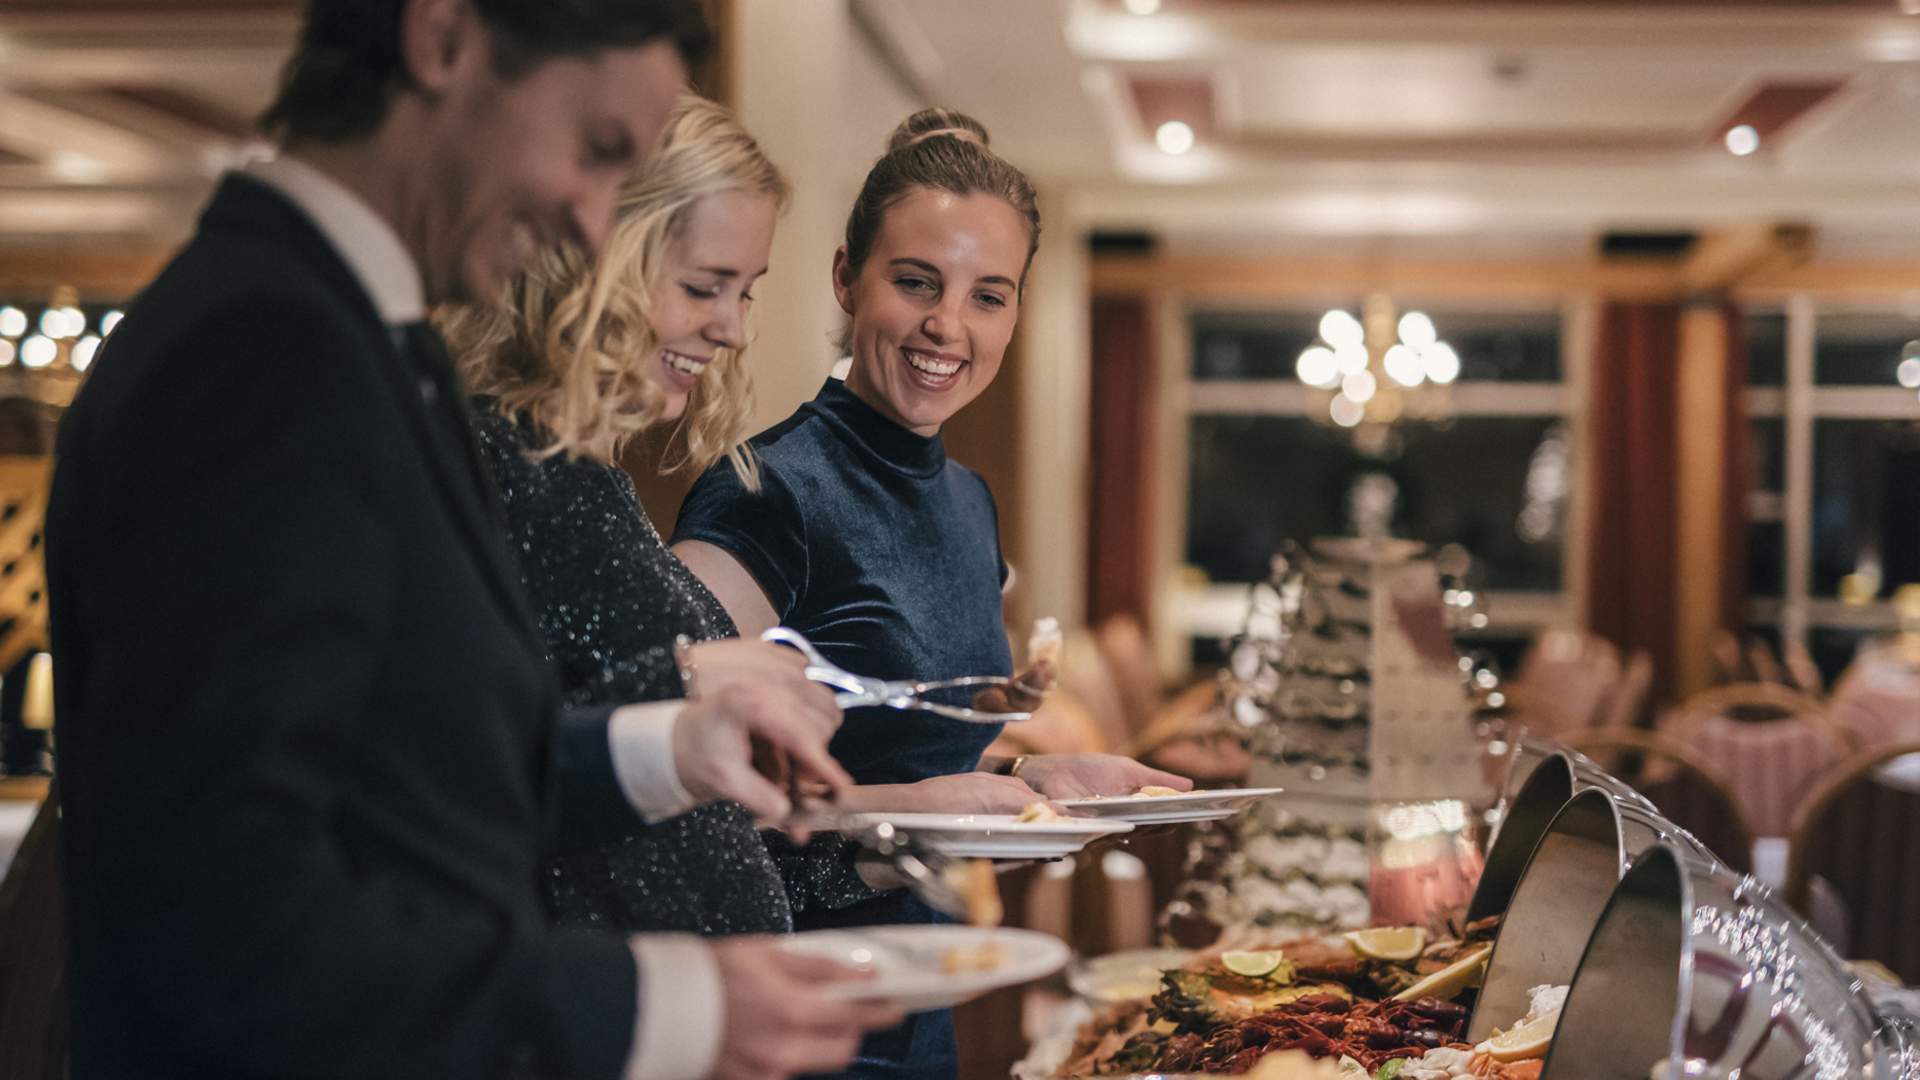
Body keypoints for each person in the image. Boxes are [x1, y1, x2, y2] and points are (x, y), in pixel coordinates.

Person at [46, 3, 893, 1077]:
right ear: (442, 40)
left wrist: (664, 749)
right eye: (596, 152)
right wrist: (663, 1006)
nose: (595, 231)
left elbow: (410, 772)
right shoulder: (262, 357)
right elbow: (229, 930)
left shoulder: (366, 344)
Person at [672, 107, 1190, 1080]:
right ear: (844, 279)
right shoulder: (767, 493)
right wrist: (913, 811)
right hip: (788, 1020)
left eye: (988, 295)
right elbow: (676, 801)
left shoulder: (967, 501)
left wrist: (1033, 784)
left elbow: (911, 743)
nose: (948, 326)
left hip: (925, 1003)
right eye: (916, 283)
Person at [443, 95, 884, 933]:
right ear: (589, 260)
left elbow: (684, 828)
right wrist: (681, 679)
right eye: (704, 287)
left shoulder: (588, 476)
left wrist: (890, 856)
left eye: (745, 292)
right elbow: (452, 774)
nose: (733, 329)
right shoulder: (483, 466)